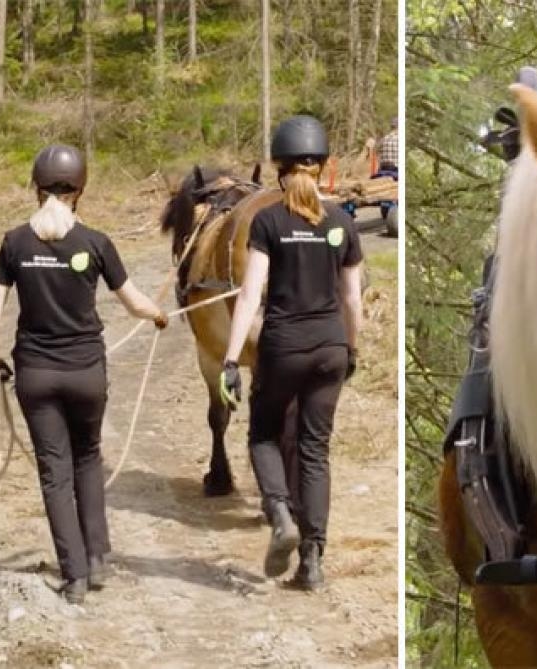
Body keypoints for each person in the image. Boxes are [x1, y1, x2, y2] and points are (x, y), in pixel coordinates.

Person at [0, 144, 168, 604]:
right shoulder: (96, 243)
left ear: (35, 188)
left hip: (36, 375)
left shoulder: (14, 242)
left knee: (54, 473)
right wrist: (159, 316)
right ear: (80, 190)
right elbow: (134, 302)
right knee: (88, 458)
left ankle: (75, 575)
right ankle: (99, 556)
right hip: (86, 372)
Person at [221, 115, 364, 590]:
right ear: (324, 168)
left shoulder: (268, 220)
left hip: (283, 346)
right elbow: (352, 300)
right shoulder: (343, 222)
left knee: (263, 434)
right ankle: (313, 562)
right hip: (330, 348)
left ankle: (280, 512)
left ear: (279, 169)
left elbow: (249, 295)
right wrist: (352, 348)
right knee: (315, 450)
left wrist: (230, 358)